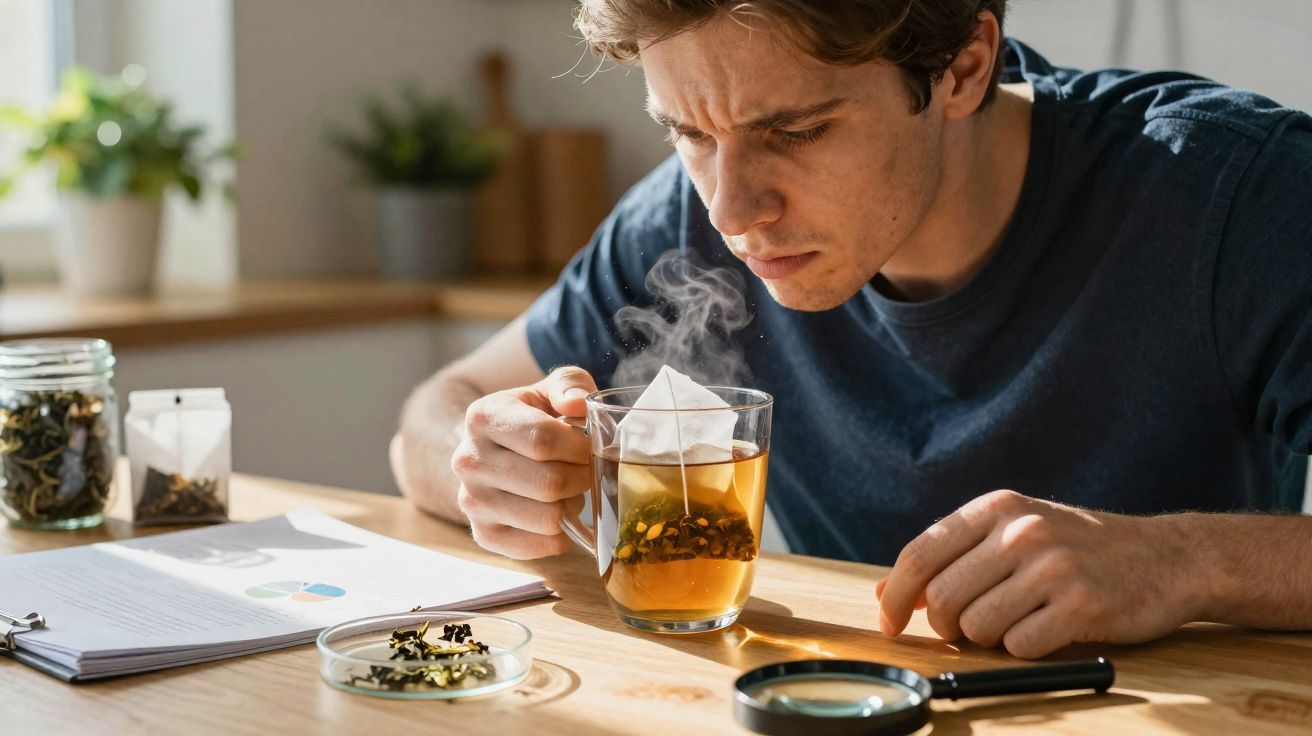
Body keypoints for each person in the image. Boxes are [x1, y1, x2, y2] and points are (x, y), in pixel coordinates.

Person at [392, 0, 1312, 659]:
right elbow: (436, 415)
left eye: (795, 131)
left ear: (964, 68)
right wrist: (494, 461)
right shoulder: (681, 217)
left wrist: (1178, 563)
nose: (731, 212)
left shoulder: (1238, 197)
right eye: (690, 134)